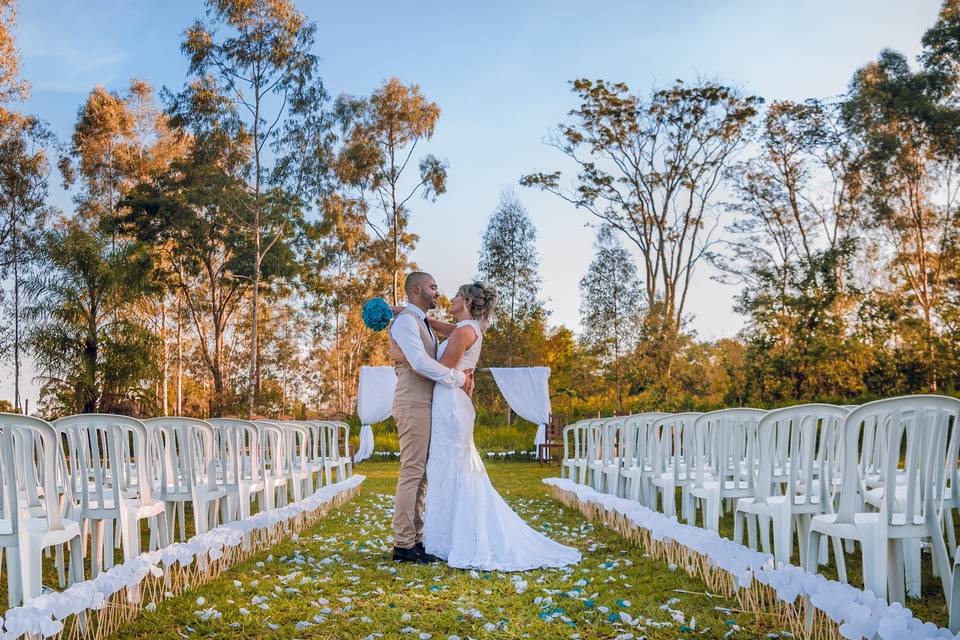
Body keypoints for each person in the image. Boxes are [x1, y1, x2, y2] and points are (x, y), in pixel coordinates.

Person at [393, 280, 581, 571]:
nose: (450, 298)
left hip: (448, 401)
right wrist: (406, 313)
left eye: (456, 295)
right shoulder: (467, 329)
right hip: (450, 401)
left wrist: (405, 355)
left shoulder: (464, 332)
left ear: (466, 302)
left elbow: (439, 366)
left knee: (451, 469)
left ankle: (454, 537)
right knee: (447, 468)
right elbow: (434, 325)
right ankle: (441, 537)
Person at [388, 272, 474, 563]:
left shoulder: (420, 321)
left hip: (426, 402)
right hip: (412, 402)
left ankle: (416, 539)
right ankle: (403, 544)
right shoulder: (405, 322)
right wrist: (457, 377)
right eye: (433, 286)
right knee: (412, 471)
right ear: (416, 289)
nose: (438, 292)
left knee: (421, 475)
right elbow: (420, 362)